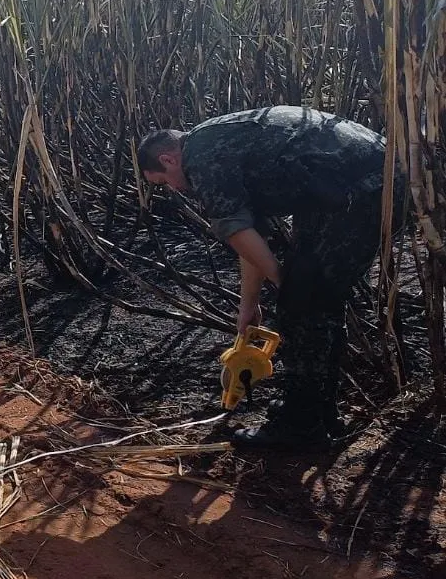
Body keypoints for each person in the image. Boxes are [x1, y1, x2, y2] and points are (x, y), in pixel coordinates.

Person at [139, 105, 400, 449]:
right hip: (345, 190)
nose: (171, 189)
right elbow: (249, 237)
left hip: (363, 191)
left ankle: (301, 425)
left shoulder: (201, 156)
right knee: (314, 300)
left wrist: (285, 286)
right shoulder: (214, 140)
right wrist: (250, 306)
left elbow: (236, 230)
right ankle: (318, 412)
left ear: (169, 160)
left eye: (162, 182)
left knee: (306, 302)